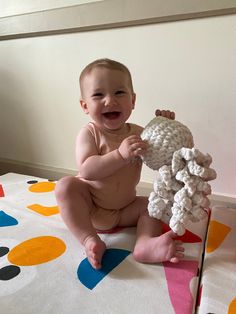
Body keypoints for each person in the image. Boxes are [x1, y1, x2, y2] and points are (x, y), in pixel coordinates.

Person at [55, 58, 184, 269]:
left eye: (119, 93)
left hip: (126, 208)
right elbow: (86, 170)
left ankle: (144, 245)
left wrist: (166, 128)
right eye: (98, 95)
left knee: (153, 204)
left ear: (133, 101)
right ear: (85, 105)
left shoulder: (140, 133)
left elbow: (164, 159)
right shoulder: (90, 133)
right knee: (65, 186)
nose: (110, 101)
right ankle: (90, 239)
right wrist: (120, 155)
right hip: (92, 208)